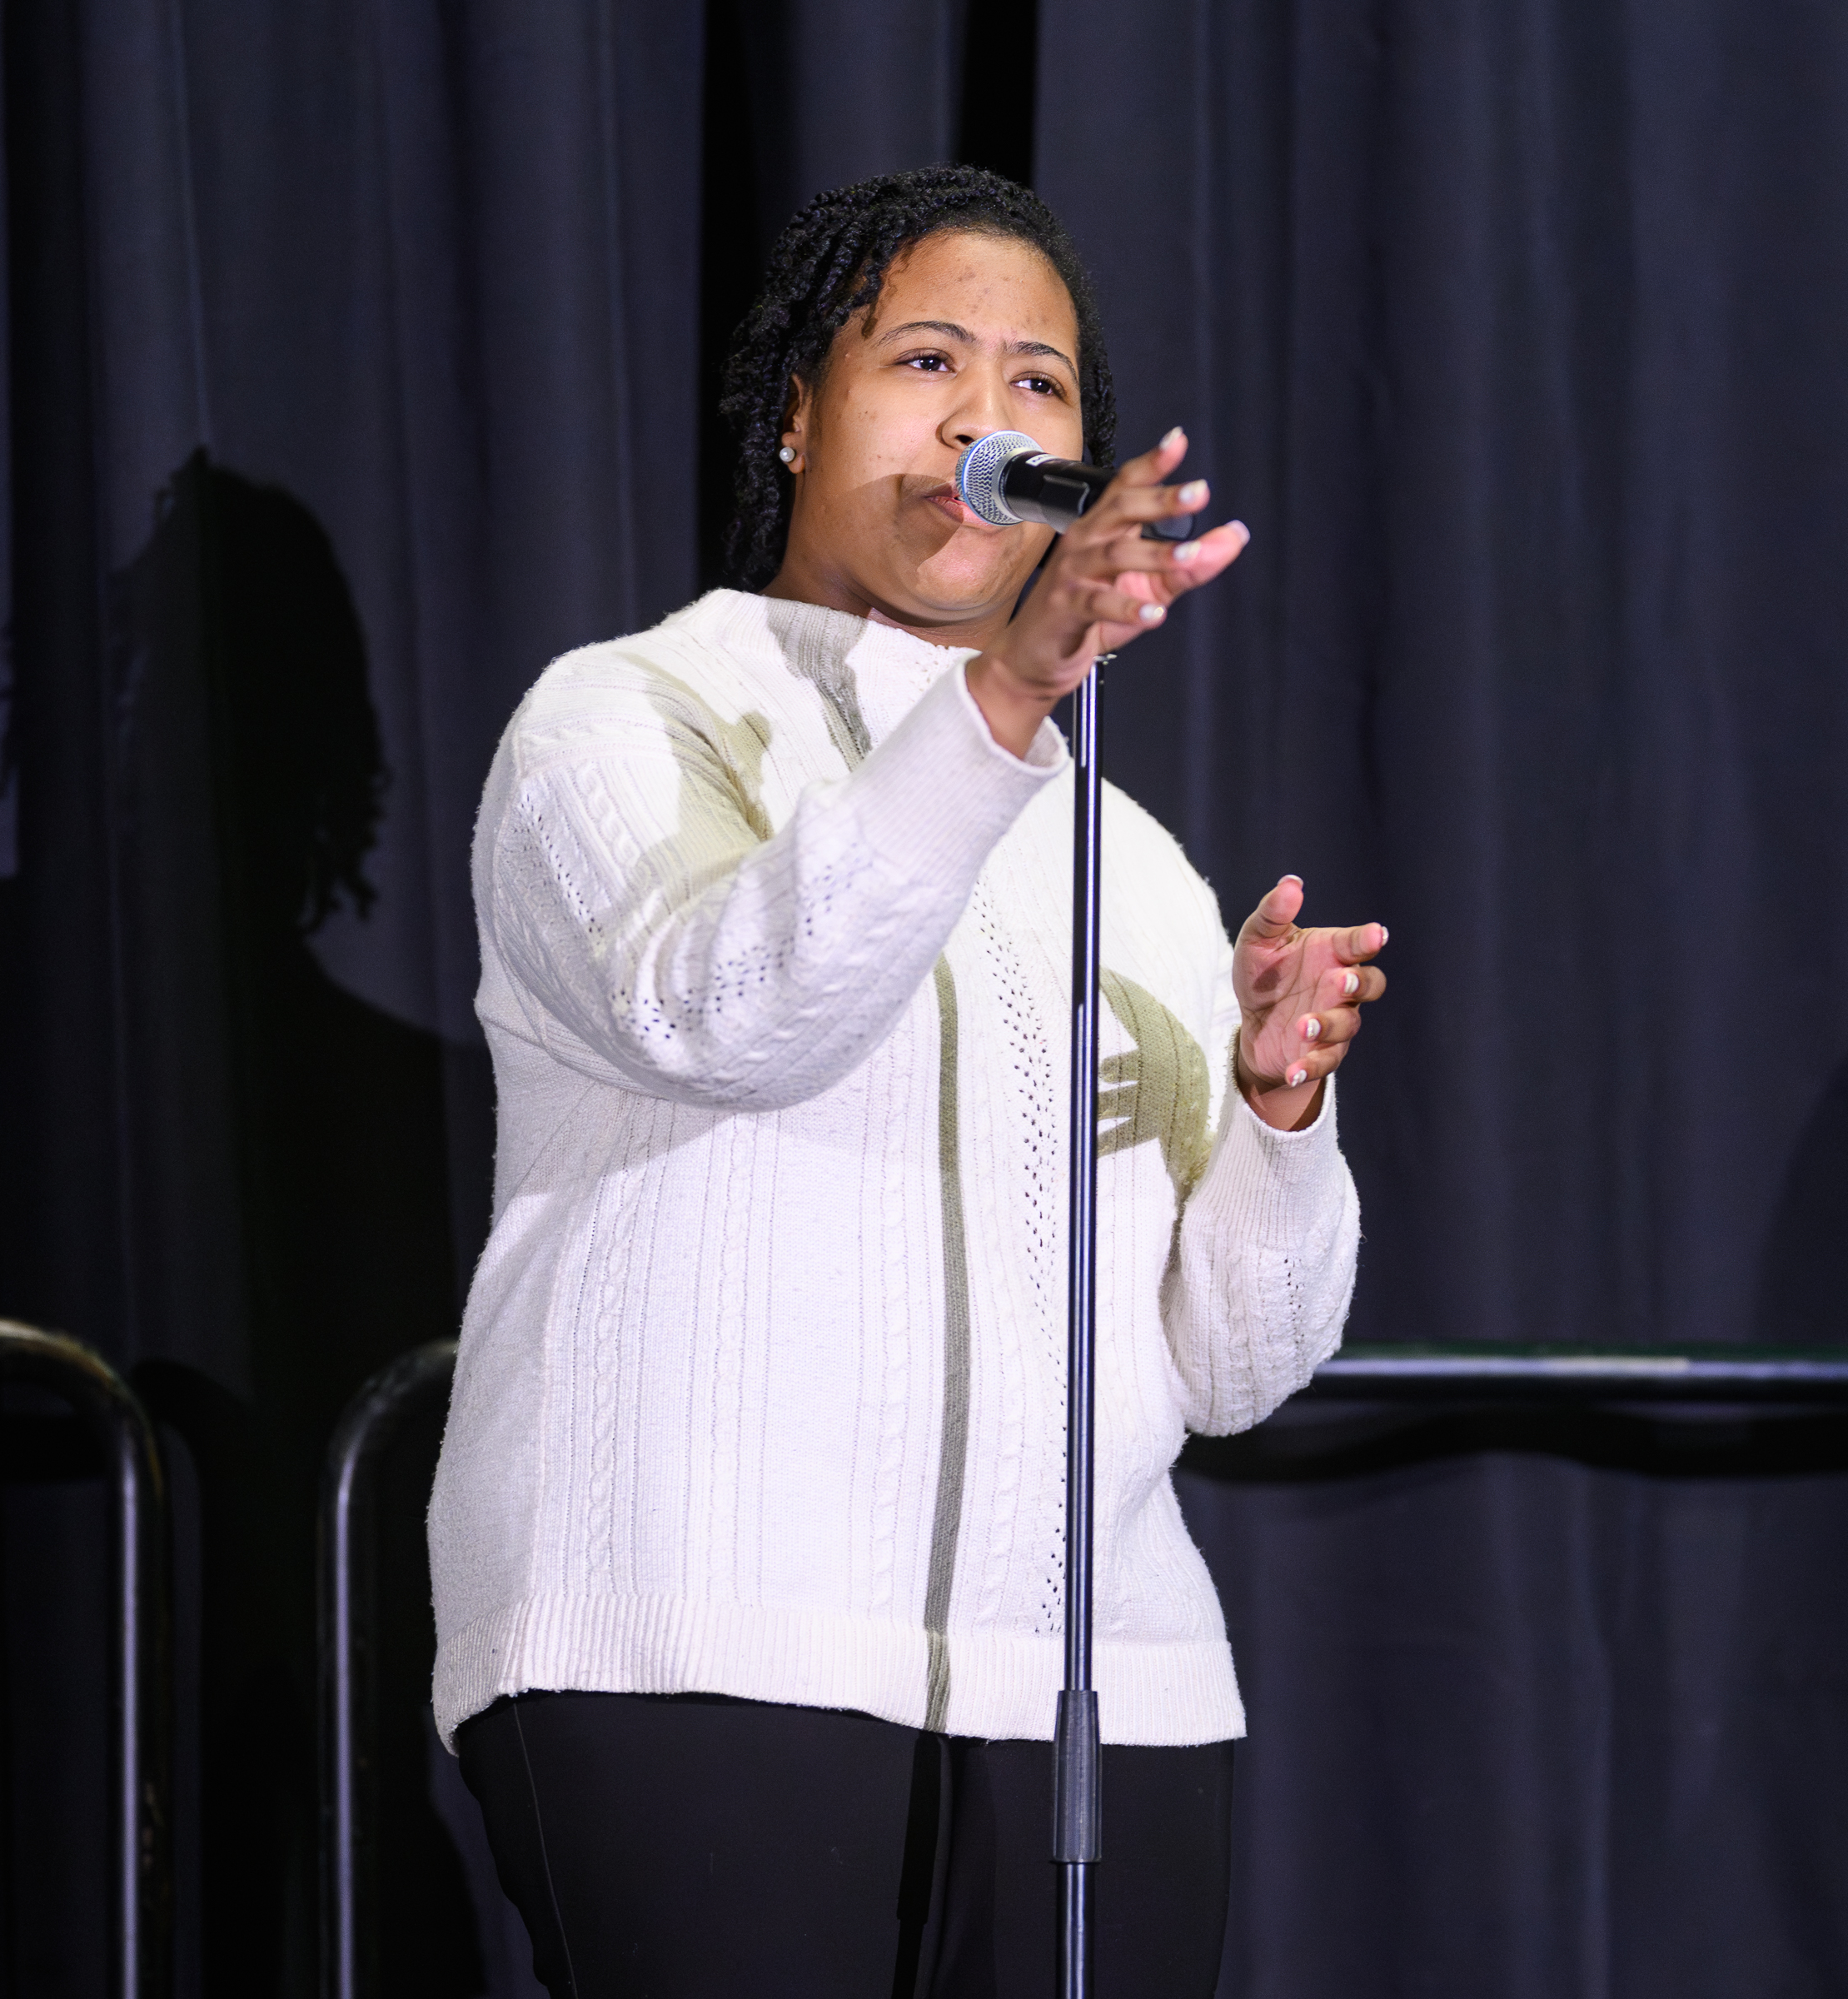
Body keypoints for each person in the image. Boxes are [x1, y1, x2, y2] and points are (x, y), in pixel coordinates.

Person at [427, 165, 1389, 1998]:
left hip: (1101, 1699)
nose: (983, 420)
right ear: (797, 412)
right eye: (928, 359)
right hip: (698, 1652)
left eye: (1039, 384)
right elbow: (726, 1011)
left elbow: (1238, 1366)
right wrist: (1006, 699)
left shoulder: (1133, 861)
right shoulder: (627, 715)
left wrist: (1279, 1112)